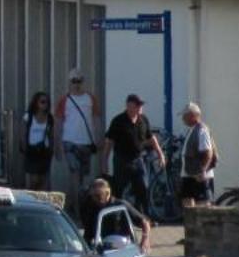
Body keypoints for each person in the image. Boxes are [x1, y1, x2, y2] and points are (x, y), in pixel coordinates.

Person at [101, 94, 161, 214]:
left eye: (141, 105)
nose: (140, 108)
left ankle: (143, 217)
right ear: (129, 106)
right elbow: (109, 142)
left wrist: (160, 154)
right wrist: (104, 161)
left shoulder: (143, 120)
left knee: (143, 187)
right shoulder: (118, 121)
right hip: (122, 159)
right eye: (137, 105)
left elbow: (151, 138)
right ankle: (117, 217)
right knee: (119, 189)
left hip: (138, 159)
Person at [55, 71, 102, 200]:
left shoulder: (90, 99)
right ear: (70, 83)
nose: (77, 84)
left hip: (86, 142)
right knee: (74, 173)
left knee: (83, 176)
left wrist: (98, 139)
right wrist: (57, 145)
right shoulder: (64, 100)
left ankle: (75, 202)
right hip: (69, 141)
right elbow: (58, 123)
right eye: (74, 81)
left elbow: (96, 119)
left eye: (79, 81)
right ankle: (75, 206)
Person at [77, 177, 151, 250]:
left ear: (107, 193)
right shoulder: (91, 208)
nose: (95, 199)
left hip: (124, 247)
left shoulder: (120, 205)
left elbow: (144, 222)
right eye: (93, 196)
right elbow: (88, 235)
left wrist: (145, 239)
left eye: (98, 196)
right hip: (103, 249)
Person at [178, 102, 218, 205]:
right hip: (189, 174)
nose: (183, 118)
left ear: (193, 115)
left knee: (202, 206)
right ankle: (190, 221)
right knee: (187, 203)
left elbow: (208, 153)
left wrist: (202, 171)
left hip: (199, 176)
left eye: (185, 116)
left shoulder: (201, 130)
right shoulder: (192, 130)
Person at [20, 90, 57, 191]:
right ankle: (29, 197)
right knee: (34, 180)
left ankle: (40, 200)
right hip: (32, 150)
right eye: (42, 102)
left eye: (46, 102)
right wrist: (24, 148)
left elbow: (51, 135)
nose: (45, 104)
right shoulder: (29, 117)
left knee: (43, 179)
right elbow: (23, 133)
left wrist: (52, 149)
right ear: (36, 103)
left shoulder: (49, 118)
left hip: (44, 151)